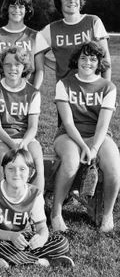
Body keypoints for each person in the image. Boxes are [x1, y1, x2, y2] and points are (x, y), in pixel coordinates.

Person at [51, 42, 120, 233]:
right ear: (76, 60)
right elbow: (68, 122)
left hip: (99, 134)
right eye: (83, 58)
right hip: (69, 134)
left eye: (92, 59)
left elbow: (103, 124)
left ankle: (107, 214)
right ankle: (56, 213)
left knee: (114, 164)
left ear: (99, 62)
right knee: (72, 161)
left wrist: (94, 147)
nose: (87, 62)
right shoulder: (64, 83)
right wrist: (83, 145)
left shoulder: (108, 87)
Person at [0, 149, 73, 269]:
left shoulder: (35, 193)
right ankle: (42, 262)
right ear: (4, 171)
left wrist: (41, 238)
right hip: (0, 237)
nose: (16, 173)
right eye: (10, 168)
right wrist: (11, 236)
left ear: (31, 172)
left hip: (25, 238)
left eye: (22, 169)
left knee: (62, 242)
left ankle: (6, 259)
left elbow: (42, 227)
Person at [0, 46, 44, 191]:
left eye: (17, 64)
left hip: (24, 137)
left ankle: (36, 205)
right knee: (5, 159)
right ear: (1, 67)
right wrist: (12, 144)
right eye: (8, 64)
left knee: (37, 159)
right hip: (0, 137)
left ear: (24, 67)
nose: (13, 68)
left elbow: (33, 127)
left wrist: (24, 142)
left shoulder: (33, 92)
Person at [41, 0, 111, 82]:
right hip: (65, 89)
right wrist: (58, 67)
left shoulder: (93, 21)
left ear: (80, 0)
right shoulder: (51, 29)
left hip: (93, 87)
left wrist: (105, 86)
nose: (72, 1)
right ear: (59, 2)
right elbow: (34, 51)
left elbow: (105, 57)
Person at [0, 0, 48, 90]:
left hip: (28, 91)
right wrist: (2, 89)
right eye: (12, 6)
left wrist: (34, 91)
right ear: (6, 9)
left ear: (27, 9)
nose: (17, 10)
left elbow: (40, 69)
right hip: (4, 91)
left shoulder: (35, 36)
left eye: (21, 6)